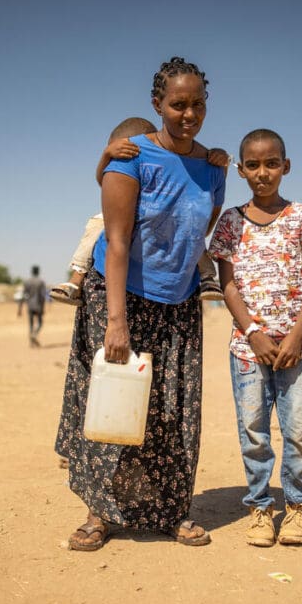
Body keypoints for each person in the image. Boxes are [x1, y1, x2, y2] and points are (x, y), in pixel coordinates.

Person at [55, 56, 225, 551]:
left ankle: (171, 511)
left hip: (179, 304)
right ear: (158, 105)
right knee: (115, 403)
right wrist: (116, 322)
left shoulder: (214, 170)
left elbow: (196, 234)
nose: (188, 114)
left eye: (197, 104)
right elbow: (119, 241)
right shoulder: (131, 157)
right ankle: (97, 515)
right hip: (120, 295)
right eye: (178, 105)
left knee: (173, 411)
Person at [209, 128, 302, 547]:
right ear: (241, 170)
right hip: (248, 349)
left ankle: (298, 507)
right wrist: (254, 332)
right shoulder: (230, 222)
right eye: (254, 165)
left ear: (286, 166)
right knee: (254, 429)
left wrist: (296, 335)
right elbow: (227, 286)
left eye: (272, 163)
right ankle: (260, 509)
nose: (263, 173)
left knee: (298, 429)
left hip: (300, 348)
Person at [49, 117, 229, 307]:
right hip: (123, 221)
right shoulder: (118, 165)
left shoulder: (160, 164)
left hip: (164, 224)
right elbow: (104, 182)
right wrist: (107, 156)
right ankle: (76, 280)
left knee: (189, 229)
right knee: (97, 223)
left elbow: (203, 209)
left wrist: (220, 164)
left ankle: (208, 278)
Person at [23, 265, 47, 347]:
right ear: (38, 271)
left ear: (32, 271)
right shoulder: (41, 282)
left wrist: (19, 308)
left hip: (30, 305)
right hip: (38, 305)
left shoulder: (27, 281)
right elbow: (43, 295)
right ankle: (34, 334)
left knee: (31, 324)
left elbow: (24, 294)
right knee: (40, 323)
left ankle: (31, 343)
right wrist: (43, 307)